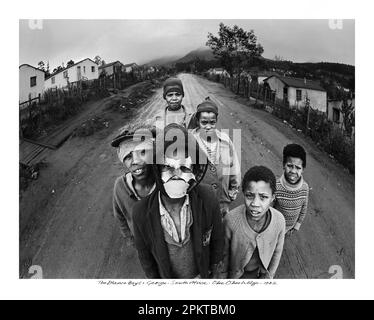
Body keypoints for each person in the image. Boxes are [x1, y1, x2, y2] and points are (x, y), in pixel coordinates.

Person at [132, 123, 224, 279]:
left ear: (195, 171)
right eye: (167, 167)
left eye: (184, 168)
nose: (176, 174)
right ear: (156, 169)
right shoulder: (140, 212)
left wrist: (214, 274)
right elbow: (146, 259)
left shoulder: (208, 198)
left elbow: (217, 241)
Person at [221, 166, 286, 279]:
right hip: (235, 276)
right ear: (243, 194)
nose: (255, 203)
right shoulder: (230, 220)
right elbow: (224, 256)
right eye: (250, 196)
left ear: (272, 198)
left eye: (263, 197)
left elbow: (277, 252)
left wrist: (268, 276)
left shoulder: (279, 221)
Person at [190, 98, 241, 217]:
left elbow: (234, 167)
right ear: (198, 121)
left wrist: (233, 189)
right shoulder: (190, 141)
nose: (208, 127)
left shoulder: (225, 140)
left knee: (220, 229)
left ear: (216, 121)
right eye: (204, 122)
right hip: (198, 200)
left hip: (221, 200)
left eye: (212, 122)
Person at [111, 127, 156, 245]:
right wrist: (132, 240)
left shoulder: (165, 180)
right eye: (128, 156)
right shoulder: (120, 187)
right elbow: (120, 216)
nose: (135, 161)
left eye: (142, 153)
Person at [274, 144, 309, 237]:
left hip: (289, 229)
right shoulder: (276, 187)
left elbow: (304, 208)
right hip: (274, 226)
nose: (293, 171)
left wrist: (296, 226)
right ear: (283, 165)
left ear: (303, 169)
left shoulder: (305, 188)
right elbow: (270, 209)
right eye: (290, 166)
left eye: (298, 167)